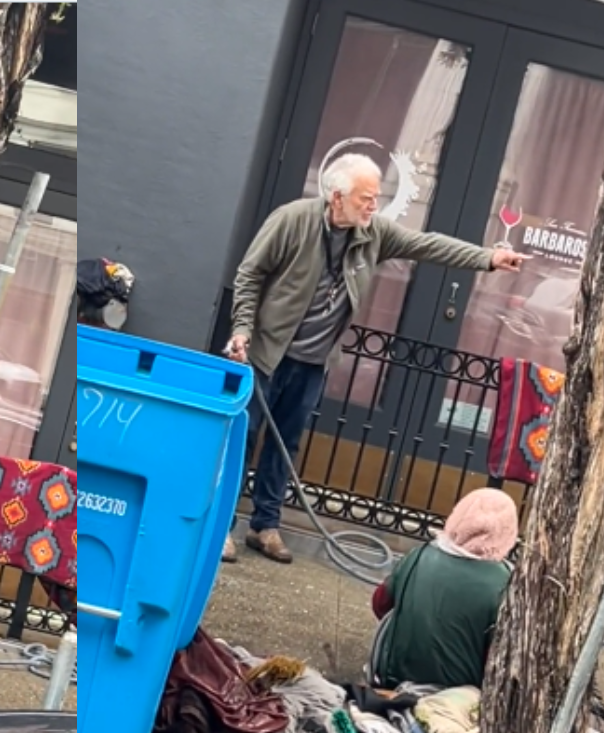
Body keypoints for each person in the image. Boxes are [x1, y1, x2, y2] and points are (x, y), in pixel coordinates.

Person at [222, 154, 527, 565]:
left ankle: (265, 525)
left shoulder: (373, 233)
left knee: (285, 446)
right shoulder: (291, 220)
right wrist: (242, 329)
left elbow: (426, 244)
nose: (374, 206)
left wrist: (487, 257)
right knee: (242, 440)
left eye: (376, 197)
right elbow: (249, 274)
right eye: (366, 198)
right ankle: (220, 528)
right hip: (265, 354)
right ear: (337, 197)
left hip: (313, 362)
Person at [367, 488, 517, 690]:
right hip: (459, 698)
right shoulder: (506, 583)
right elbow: (499, 657)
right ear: (507, 533)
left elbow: (380, 604)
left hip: (396, 681)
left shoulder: (419, 555)